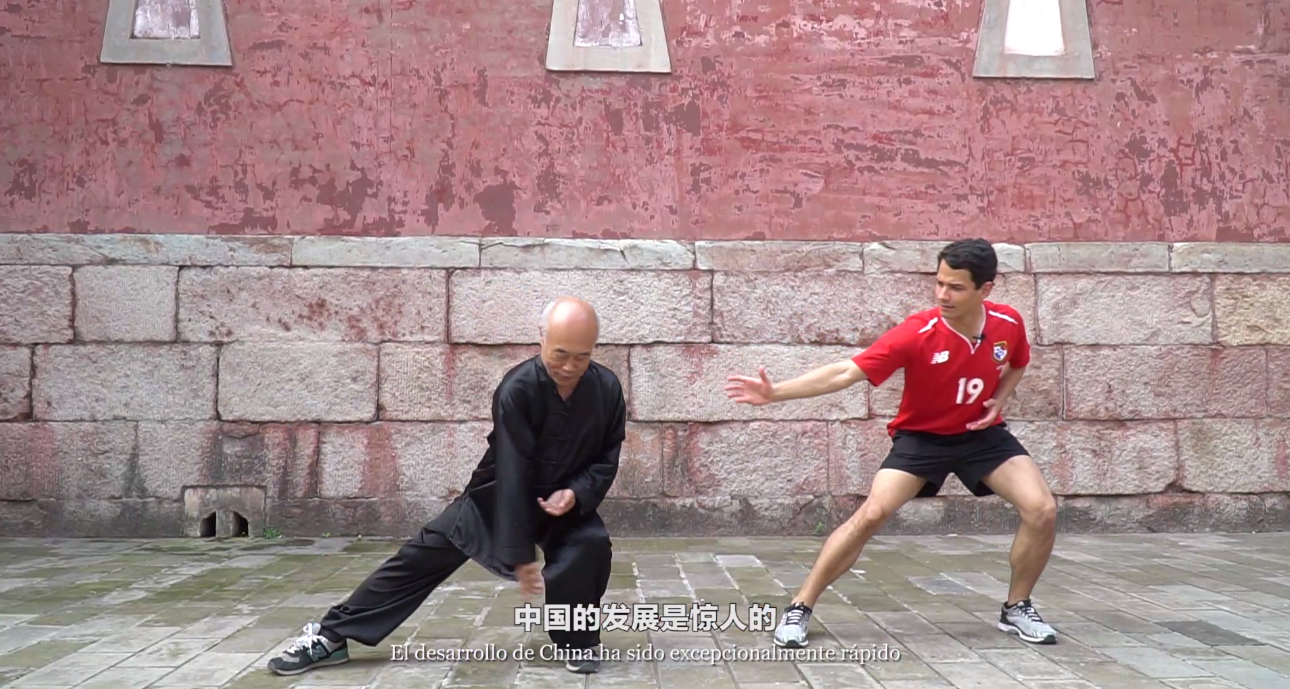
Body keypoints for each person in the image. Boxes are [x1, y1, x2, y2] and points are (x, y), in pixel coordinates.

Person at [726, 238, 1059, 648]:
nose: (942, 294)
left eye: (955, 287)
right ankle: (800, 606)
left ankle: (1017, 607)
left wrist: (999, 401)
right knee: (871, 514)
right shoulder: (917, 333)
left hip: (980, 436)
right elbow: (845, 372)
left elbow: (1018, 363)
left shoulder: (1008, 322)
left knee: (1042, 509)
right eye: (939, 283)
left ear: (985, 289)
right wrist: (776, 393)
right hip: (922, 440)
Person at [267, 296, 626, 677]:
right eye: (560, 354)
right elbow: (513, 472)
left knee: (589, 545)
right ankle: (330, 636)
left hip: (563, 503)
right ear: (542, 338)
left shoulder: (606, 389)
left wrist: (576, 492)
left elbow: (607, 456)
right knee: (417, 558)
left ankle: (579, 640)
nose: (570, 367)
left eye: (582, 357)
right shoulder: (517, 389)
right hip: (496, 497)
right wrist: (520, 555)